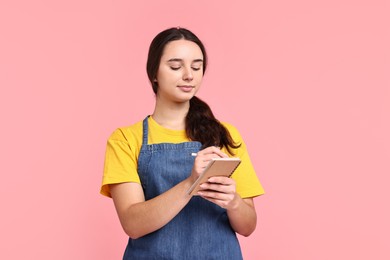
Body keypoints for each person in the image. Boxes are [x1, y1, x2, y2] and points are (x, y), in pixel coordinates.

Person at [100, 27, 265, 260]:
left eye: (196, 67)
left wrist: (234, 202)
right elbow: (132, 224)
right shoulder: (126, 139)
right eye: (176, 66)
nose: (189, 75)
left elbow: (248, 227)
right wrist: (192, 183)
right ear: (154, 73)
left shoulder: (225, 135)